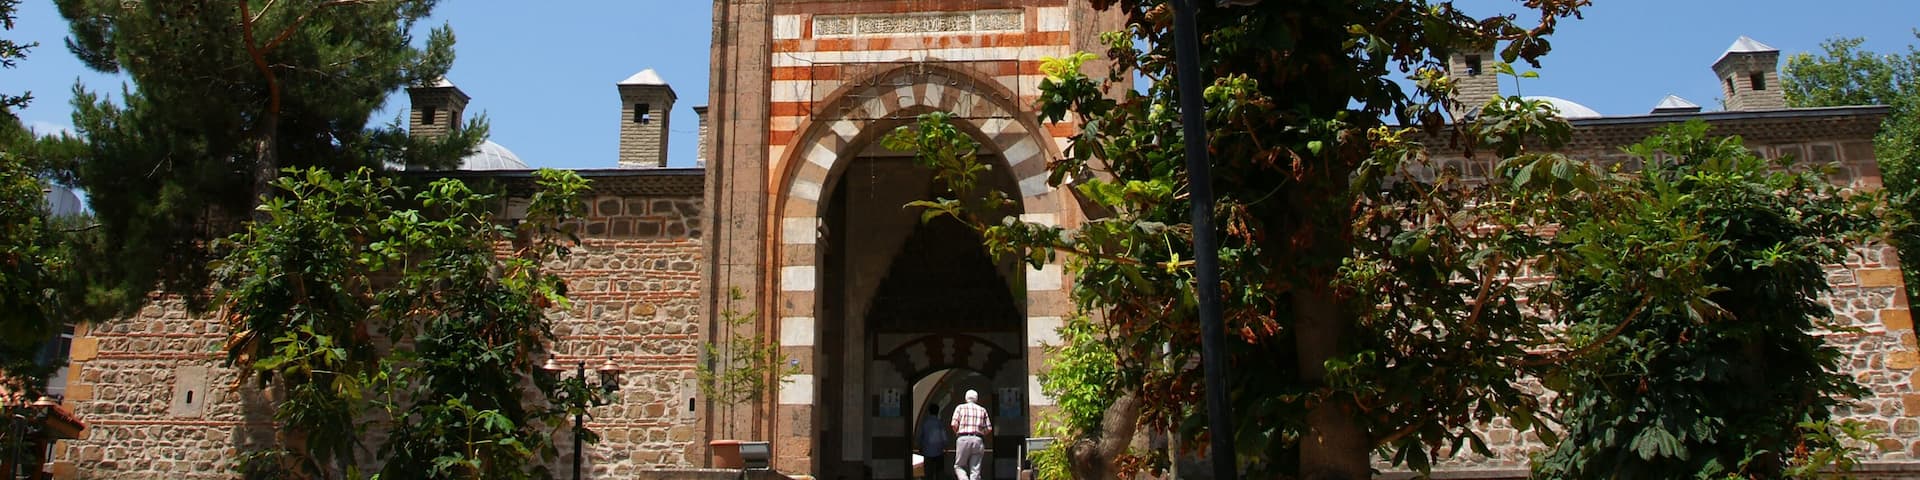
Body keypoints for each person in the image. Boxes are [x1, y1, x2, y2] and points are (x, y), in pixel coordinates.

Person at [949, 389, 992, 480]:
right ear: (976, 399)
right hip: (978, 439)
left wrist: (957, 432)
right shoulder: (982, 410)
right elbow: (989, 428)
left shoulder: (960, 408)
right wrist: (981, 433)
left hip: (963, 438)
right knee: (975, 469)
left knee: (959, 466)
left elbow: (953, 424)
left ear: (966, 398)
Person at [919, 404, 949, 480]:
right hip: (939, 452)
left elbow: (921, 436)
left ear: (929, 412)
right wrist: (945, 447)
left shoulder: (925, 423)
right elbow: (944, 437)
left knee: (928, 473)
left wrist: (921, 447)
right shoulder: (939, 423)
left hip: (927, 452)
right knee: (939, 472)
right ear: (938, 412)